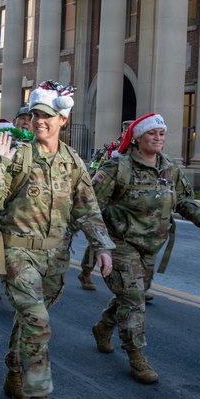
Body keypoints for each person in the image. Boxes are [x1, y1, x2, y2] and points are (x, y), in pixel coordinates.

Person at [0, 81, 114, 399]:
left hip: (55, 256)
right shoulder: (17, 154)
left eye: (48, 116)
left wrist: (102, 245)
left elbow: (87, 208)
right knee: (38, 323)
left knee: (29, 319)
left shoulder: (72, 162)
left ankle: (14, 370)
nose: (40, 121)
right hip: (13, 250)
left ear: (63, 120)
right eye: (35, 114)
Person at [91, 113, 200, 383]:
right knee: (134, 299)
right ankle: (136, 356)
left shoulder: (169, 167)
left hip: (151, 245)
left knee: (132, 294)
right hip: (122, 244)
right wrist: (100, 245)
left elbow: (183, 199)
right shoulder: (117, 168)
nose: (158, 138)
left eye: (161, 133)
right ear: (137, 138)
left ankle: (104, 327)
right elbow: (90, 207)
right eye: (152, 133)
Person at [78, 119, 135, 290]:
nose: (127, 134)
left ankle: (136, 284)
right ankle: (86, 271)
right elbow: (95, 170)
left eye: (130, 130)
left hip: (128, 203)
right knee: (100, 237)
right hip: (106, 199)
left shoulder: (140, 150)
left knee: (131, 242)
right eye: (125, 130)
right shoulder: (112, 149)